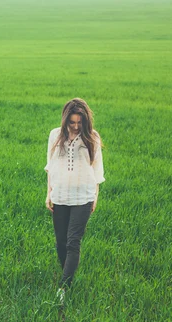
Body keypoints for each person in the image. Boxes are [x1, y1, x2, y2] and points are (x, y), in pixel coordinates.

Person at [44, 98, 105, 301]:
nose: (76, 126)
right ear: (65, 120)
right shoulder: (55, 135)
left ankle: (63, 287)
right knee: (61, 243)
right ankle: (68, 273)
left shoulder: (92, 137)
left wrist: (95, 197)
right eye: (72, 122)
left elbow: (97, 171)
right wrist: (48, 193)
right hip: (60, 195)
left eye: (80, 122)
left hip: (83, 197)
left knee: (73, 242)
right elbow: (49, 168)